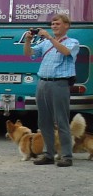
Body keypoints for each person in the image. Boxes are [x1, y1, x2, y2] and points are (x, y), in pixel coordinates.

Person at [23, 11, 79, 167]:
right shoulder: (45, 44)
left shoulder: (72, 42)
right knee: (44, 120)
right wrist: (28, 41)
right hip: (43, 83)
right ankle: (48, 154)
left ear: (66, 26)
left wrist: (49, 37)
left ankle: (67, 156)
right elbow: (29, 54)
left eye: (58, 23)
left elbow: (66, 52)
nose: (54, 26)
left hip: (59, 84)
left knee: (61, 120)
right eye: (52, 24)